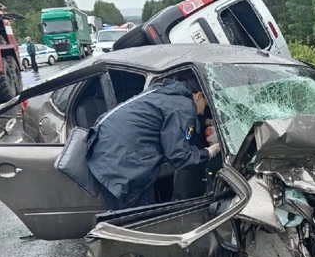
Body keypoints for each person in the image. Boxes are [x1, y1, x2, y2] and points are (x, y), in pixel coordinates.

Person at [86, 72, 220, 210]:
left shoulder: (166, 92)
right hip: (121, 164)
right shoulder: (184, 106)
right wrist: (210, 151)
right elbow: (179, 156)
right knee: (142, 219)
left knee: (142, 212)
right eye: (206, 104)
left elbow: (171, 118)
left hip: (105, 149)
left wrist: (209, 122)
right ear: (198, 95)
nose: (204, 111)